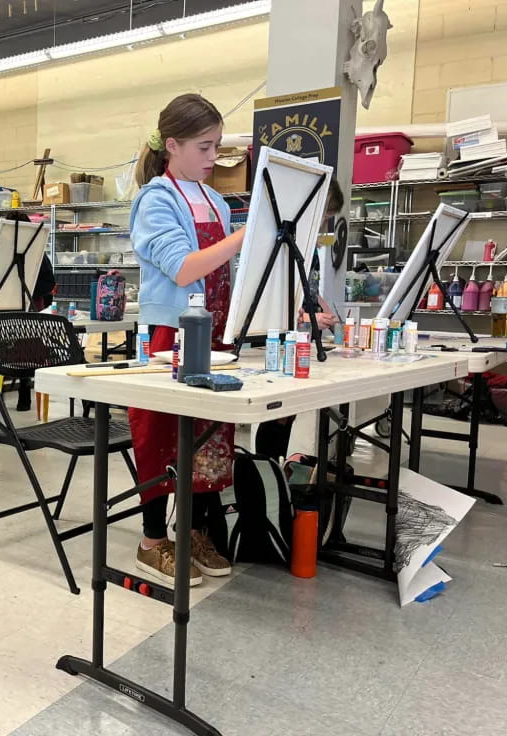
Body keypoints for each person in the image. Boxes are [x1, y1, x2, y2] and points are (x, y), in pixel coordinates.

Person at [128, 93, 245, 587]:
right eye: (204, 146)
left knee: (208, 436)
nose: (212, 157)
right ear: (172, 145)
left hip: (217, 331)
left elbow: (229, 268)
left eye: (216, 146)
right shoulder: (155, 199)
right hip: (172, 332)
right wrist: (247, 235)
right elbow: (181, 267)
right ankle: (152, 540)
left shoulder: (215, 199)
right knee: (159, 435)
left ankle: (193, 529)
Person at [254, 177, 345, 461]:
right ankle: (268, 470)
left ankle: (278, 470)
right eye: (325, 216)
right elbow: (272, 300)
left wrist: (322, 310)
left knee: (288, 412)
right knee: (278, 412)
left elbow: (309, 289)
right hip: (279, 338)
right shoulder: (278, 243)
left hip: (299, 336)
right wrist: (308, 316)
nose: (324, 224)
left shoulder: (307, 246)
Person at [0, 211, 56, 412]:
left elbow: (49, 283)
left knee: (22, 351)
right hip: (5, 305)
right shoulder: (2, 251)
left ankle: (22, 395)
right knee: (3, 350)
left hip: (28, 307)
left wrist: (25, 290)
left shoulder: (37, 252)